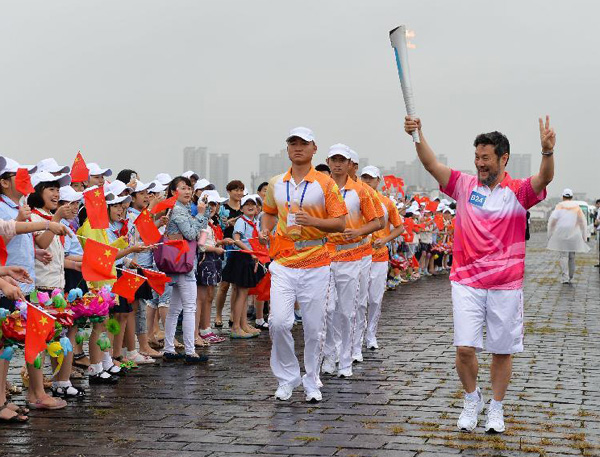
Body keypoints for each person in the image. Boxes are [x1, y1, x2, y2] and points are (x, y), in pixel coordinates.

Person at [405, 115, 555, 433]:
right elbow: (431, 164)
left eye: (485, 158)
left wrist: (546, 152)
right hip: (466, 281)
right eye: (476, 157)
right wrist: (417, 135)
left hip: (505, 284)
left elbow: (544, 179)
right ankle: (472, 398)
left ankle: (496, 409)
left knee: (501, 350)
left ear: (503, 158)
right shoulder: (464, 186)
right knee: (464, 348)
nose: (480, 164)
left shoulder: (518, 192)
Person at [260, 127, 347, 403]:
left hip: (316, 263)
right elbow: (269, 212)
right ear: (287, 149)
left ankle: (312, 380)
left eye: (303, 143)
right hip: (284, 263)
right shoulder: (276, 183)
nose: (298, 148)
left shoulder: (325, 183)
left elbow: (340, 222)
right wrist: (266, 230)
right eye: (292, 143)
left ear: (314, 149)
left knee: (313, 328)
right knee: (278, 322)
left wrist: (315, 222)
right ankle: (287, 378)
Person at [322, 144, 379, 378]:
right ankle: (329, 355)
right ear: (328, 161)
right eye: (333, 159)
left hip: (351, 257)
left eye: (341, 160)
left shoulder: (361, 191)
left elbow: (378, 222)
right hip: (324, 256)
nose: (337, 164)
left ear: (349, 164)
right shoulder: (319, 189)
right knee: (327, 309)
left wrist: (359, 232)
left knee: (347, 311)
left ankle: (345, 359)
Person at [162, 176, 209, 364]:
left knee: (175, 309)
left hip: (178, 262)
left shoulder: (183, 209)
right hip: (183, 263)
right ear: (174, 192)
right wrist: (200, 214)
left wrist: (203, 214)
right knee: (189, 307)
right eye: (183, 188)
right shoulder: (178, 211)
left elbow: (201, 230)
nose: (188, 191)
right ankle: (190, 351)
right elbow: (191, 234)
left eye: (189, 188)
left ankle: (169, 348)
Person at [359, 166, 404, 351]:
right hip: (358, 256)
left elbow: (399, 227)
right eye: (365, 178)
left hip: (379, 257)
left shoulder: (387, 203)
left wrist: (384, 240)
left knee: (375, 299)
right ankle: (357, 336)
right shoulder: (355, 200)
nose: (368, 181)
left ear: (379, 181)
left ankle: (371, 335)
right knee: (359, 300)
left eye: (372, 178)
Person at [222, 194, 265, 338]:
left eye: (254, 204)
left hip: (250, 257)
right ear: (241, 208)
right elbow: (236, 239)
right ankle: (235, 327)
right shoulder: (242, 221)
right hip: (242, 257)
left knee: (245, 293)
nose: (251, 206)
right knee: (241, 293)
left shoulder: (255, 222)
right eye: (247, 204)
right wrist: (249, 251)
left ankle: (244, 324)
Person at [195, 190, 231, 345]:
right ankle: (201, 330)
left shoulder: (210, 222)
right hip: (206, 260)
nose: (213, 207)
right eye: (210, 204)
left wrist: (221, 243)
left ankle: (206, 328)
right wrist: (216, 249)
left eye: (215, 204)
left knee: (208, 297)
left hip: (213, 259)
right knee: (203, 298)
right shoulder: (203, 223)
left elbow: (209, 242)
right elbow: (202, 246)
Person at [214, 180, 245, 328]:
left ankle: (233, 314)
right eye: (236, 190)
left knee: (236, 285)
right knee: (224, 285)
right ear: (229, 191)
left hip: (240, 249)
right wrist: (227, 224)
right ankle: (218, 314)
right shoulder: (222, 208)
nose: (239, 193)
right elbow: (216, 227)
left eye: (241, 190)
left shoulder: (244, 209)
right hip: (226, 248)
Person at [547, 188, 589, 283]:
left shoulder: (559, 206)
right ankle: (571, 275)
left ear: (563, 196)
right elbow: (582, 222)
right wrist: (584, 236)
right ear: (571, 197)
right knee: (572, 256)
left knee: (563, 256)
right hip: (574, 235)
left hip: (562, 235)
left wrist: (550, 234)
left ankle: (565, 277)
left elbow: (552, 221)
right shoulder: (576, 207)